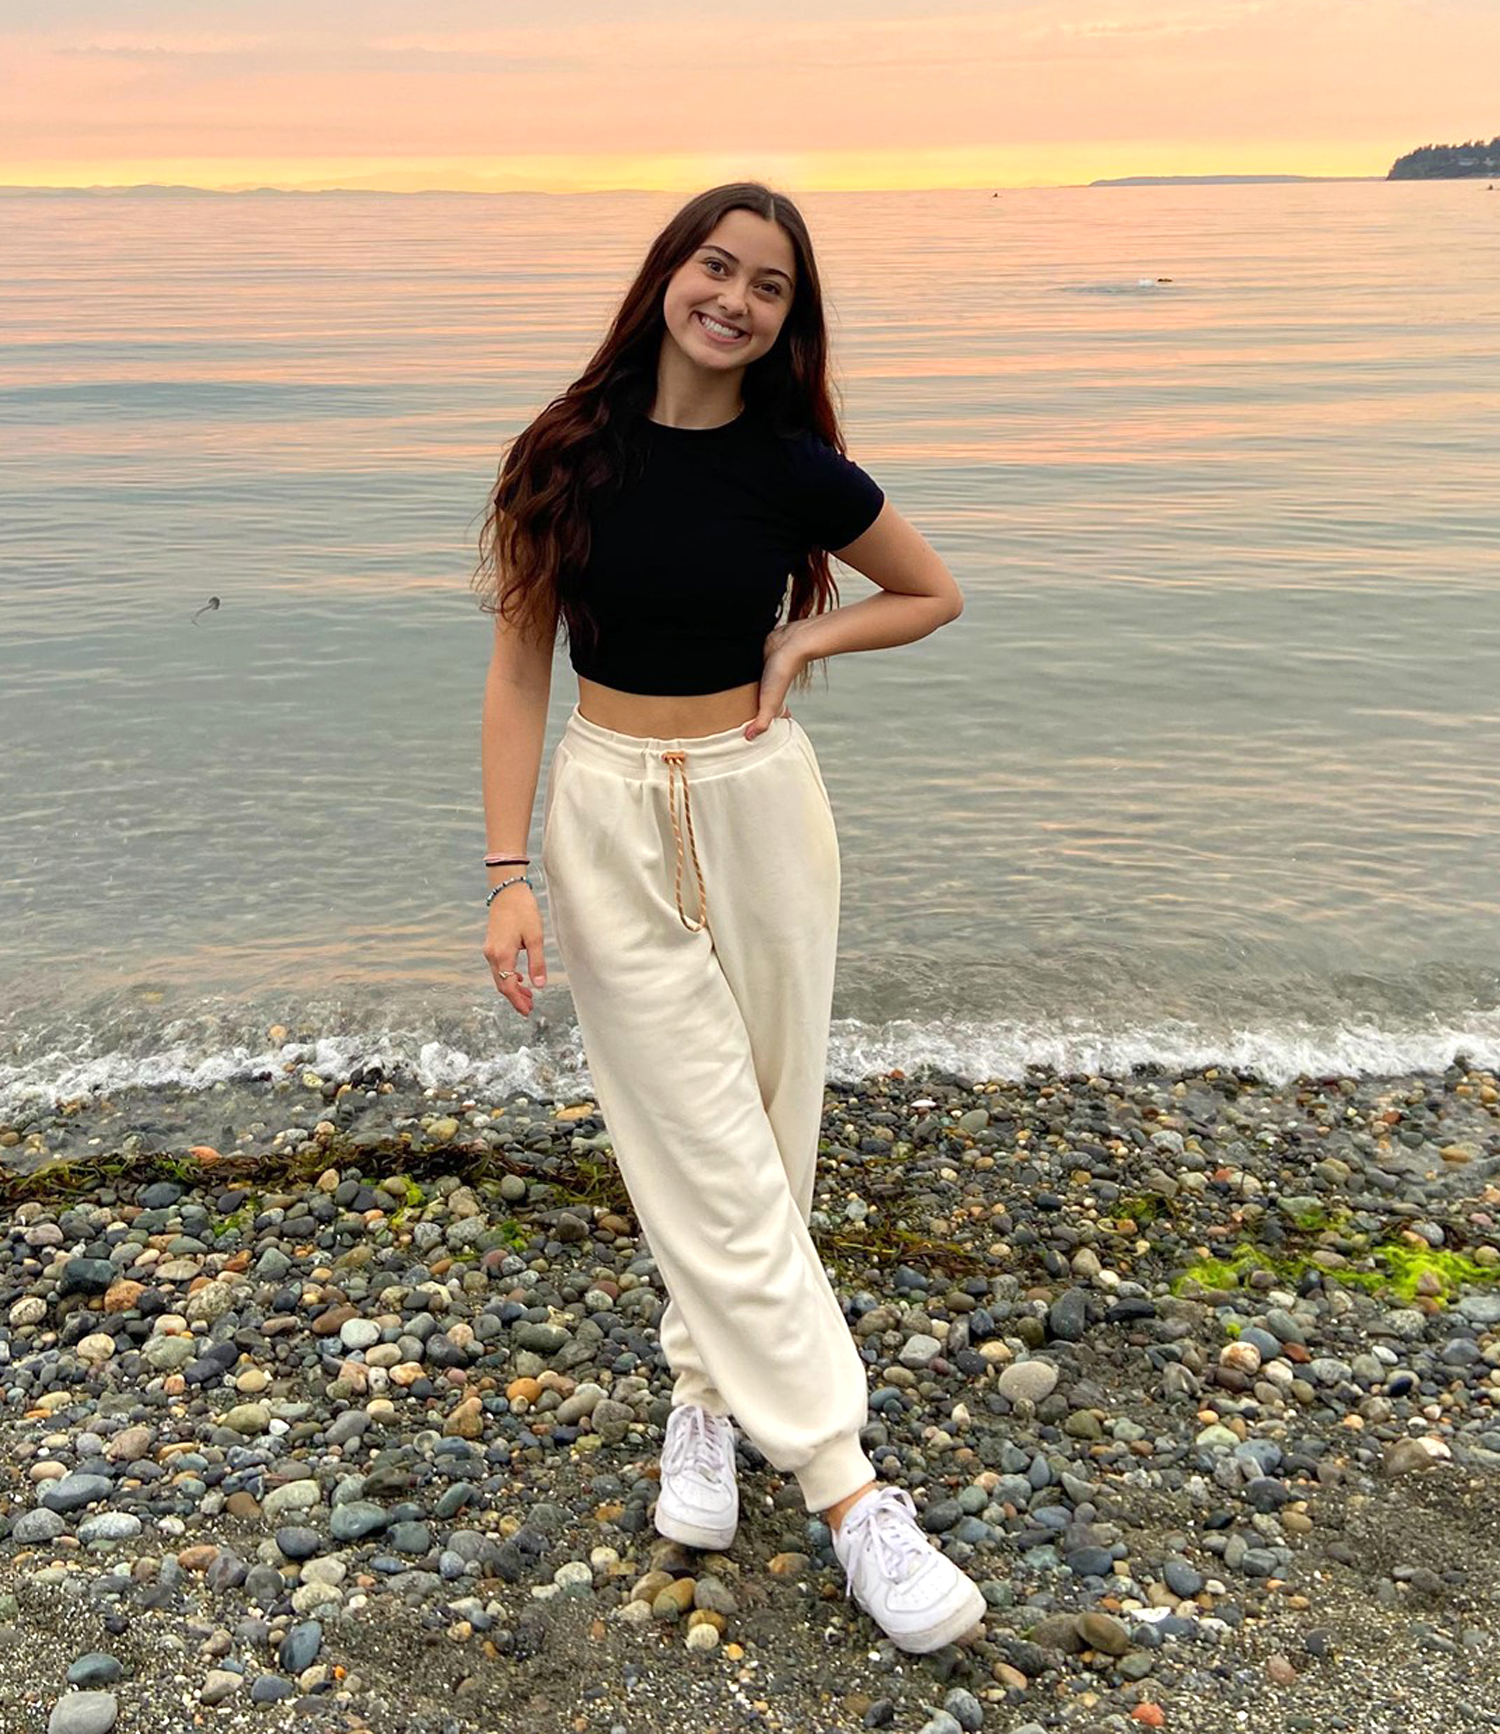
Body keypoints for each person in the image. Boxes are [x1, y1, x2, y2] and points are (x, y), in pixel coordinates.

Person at [473, 181, 983, 1654]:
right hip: (607, 812)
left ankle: (705, 1397)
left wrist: (807, 635)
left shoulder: (795, 466)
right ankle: (848, 1489)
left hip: (761, 805)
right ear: (668, 275)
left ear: (786, 320)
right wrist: (505, 874)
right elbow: (519, 671)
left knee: (770, 1128)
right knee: (695, 1134)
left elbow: (931, 591)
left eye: (770, 287)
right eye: (718, 266)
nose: (737, 301)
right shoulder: (566, 451)